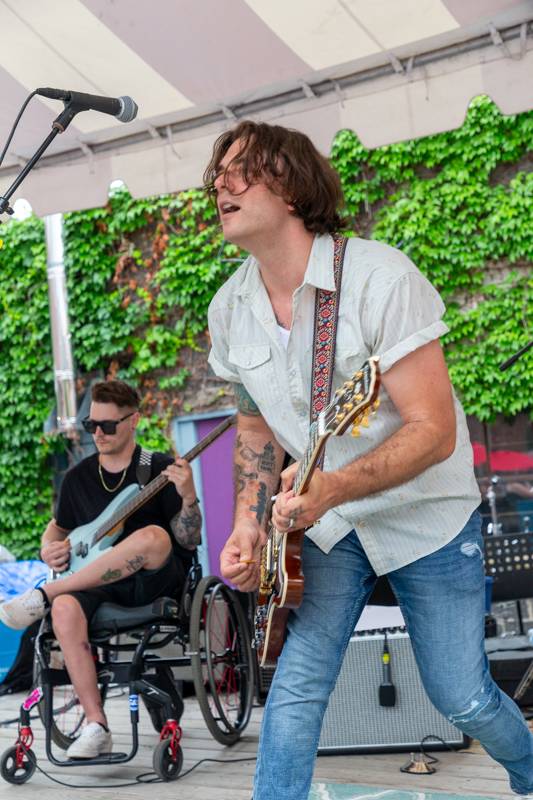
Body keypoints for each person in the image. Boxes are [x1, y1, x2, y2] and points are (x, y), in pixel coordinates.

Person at [204, 120, 533, 799]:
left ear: (289, 186)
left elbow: (433, 430)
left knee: (461, 696)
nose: (218, 184)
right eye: (216, 173)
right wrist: (245, 522)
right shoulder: (230, 307)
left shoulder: (380, 277)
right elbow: (255, 428)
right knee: (294, 685)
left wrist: (333, 486)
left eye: (239, 170)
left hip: (424, 518)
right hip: (325, 526)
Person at [0, 380, 201, 758]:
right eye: (92, 425)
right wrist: (48, 549)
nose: (98, 434)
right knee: (63, 609)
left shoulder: (157, 467)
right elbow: (56, 528)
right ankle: (96, 724)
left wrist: (188, 495)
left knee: (153, 536)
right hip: (96, 584)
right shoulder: (77, 478)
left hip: (153, 581)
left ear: (133, 421)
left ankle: (48, 593)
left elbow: (188, 540)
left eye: (107, 425)